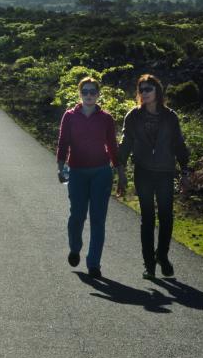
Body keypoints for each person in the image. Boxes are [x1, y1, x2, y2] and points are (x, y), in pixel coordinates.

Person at [116, 74, 190, 279]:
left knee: (166, 217)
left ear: (158, 91)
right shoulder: (133, 116)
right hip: (143, 172)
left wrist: (185, 172)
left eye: (148, 89)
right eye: (141, 89)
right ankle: (149, 265)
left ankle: (162, 256)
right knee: (147, 219)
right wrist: (120, 170)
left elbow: (179, 145)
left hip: (166, 172)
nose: (144, 93)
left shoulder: (170, 116)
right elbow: (125, 143)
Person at [56, 77, 120, 278]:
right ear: (80, 94)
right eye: (85, 91)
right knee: (77, 216)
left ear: (98, 94)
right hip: (77, 172)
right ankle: (75, 248)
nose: (89, 95)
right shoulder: (69, 116)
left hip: (101, 172)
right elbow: (63, 142)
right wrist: (60, 167)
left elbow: (112, 145)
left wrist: (120, 171)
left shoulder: (106, 118)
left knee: (98, 219)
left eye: (93, 91)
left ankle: (94, 264)